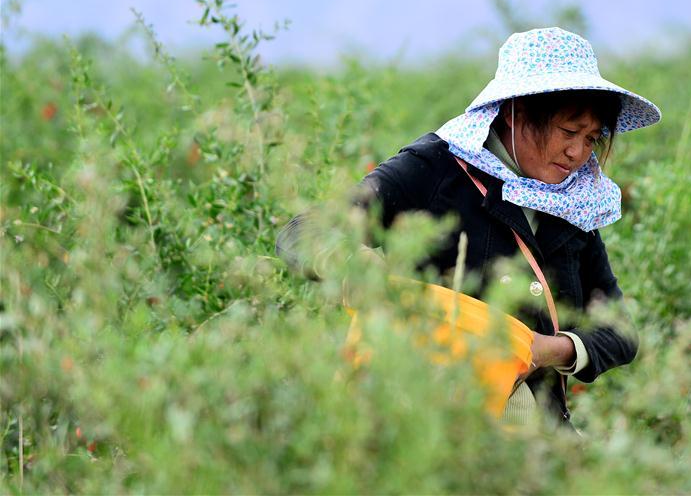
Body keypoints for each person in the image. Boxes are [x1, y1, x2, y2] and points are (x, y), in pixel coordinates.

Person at [279, 27, 661, 427]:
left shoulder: (574, 200)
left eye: (591, 139)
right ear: (516, 113)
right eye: (568, 132)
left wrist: (544, 349)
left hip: (536, 430)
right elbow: (305, 231)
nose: (577, 153)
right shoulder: (438, 169)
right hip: (427, 417)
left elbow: (619, 332)